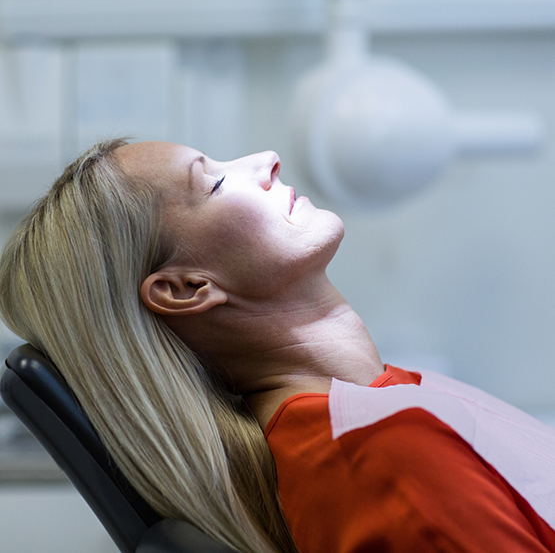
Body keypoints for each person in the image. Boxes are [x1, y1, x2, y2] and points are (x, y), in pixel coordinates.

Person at [0, 139, 554, 553]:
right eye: (213, 182)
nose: (266, 159)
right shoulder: (377, 456)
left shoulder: (372, 419)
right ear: (187, 288)